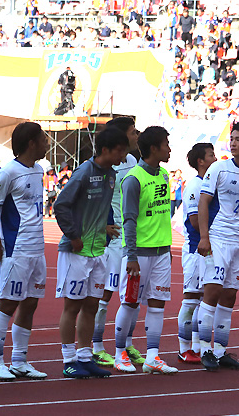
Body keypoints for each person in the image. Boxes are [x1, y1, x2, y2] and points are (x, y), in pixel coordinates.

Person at [54, 127, 129, 379]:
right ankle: (69, 360)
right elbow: (61, 205)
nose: (123, 155)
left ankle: (85, 357)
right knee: (72, 306)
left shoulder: (111, 174)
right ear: (105, 149)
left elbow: (99, 208)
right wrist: (73, 236)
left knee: (91, 305)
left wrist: (103, 227)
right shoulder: (84, 172)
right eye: (120, 150)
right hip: (77, 251)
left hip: (99, 250)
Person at [196, 122, 239, 371]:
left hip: (238, 242)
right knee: (212, 292)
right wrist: (204, 236)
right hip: (218, 239)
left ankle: (220, 350)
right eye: (232, 139)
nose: (233, 143)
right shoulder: (219, 168)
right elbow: (204, 202)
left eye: (238, 139)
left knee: (230, 296)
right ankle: (204, 350)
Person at [0, 122, 50, 380]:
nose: (47, 144)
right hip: (17, 249)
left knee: (30, 303)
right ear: (31, 143)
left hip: (37, 249)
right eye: (44, 139)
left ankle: (19, 361)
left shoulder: (38, 170)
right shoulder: (9, 172)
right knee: (8, 304)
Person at [115, 126, 178, 374]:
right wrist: (130, 255)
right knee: (130, 303)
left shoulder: (163, 175)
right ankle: (119, 353)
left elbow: (161, 215)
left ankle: (152, 356)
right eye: (166, 145)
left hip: (161, 252)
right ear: (154, 148)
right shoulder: (133, 179)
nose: (169, 149)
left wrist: (167, 249)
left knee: (157, 304)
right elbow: (129, 220)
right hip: (138, 254)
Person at [91, 117, 140, 369]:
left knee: (132, 293)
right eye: (133, 132)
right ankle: (97, 347)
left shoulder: (132, 161)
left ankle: (126, 343)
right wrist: (103, 227)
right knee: (105, 294)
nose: (137, 135)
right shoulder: (99, 164)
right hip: (111, 240)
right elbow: (91, 201)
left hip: (131, 238)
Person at [176, 143, 217, 364]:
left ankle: (197, 346)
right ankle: (184, 349)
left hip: (208, 249)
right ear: (200, 161)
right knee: (191, 299)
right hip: (194, 249)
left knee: (203, 300)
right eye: (211, 155)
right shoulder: (194, 185)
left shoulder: (211, 184)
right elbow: (194, 221)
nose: (215, 158)